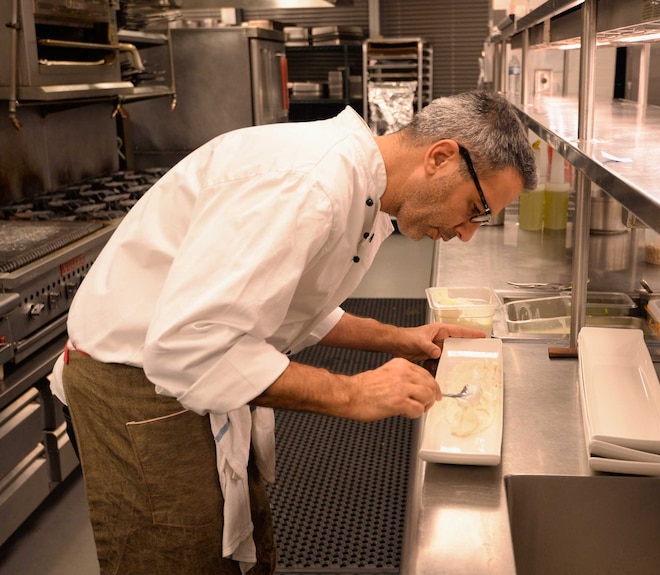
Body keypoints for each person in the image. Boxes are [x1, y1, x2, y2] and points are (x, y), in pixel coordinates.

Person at [51, 90, 537, 574]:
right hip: (137, 388)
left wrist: (401, 338)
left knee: (242, 548)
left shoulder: (360, 189)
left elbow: (293, 304)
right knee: (179, 559)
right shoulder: (307, 184)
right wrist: (352, 393)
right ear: (440, 157)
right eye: (475, 208)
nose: (467, 232)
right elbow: (190, 348)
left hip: (193, 377)